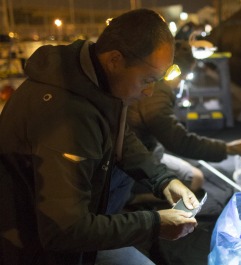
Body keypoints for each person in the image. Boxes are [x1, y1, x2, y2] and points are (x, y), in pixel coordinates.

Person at [0, 9, 200, 265]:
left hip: (75, 228)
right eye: (147, 80)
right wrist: (154, 223)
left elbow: (121, 137)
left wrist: (163, 180)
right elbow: (65, 230)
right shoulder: (65, 118)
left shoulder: (91, 82)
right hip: (35, 249)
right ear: (115, 60)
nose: (150, 91)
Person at [127, 40, 241, 195]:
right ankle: (134, 201)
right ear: (174, 71)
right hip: (133, 163)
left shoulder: (152, 82)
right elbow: (179, 141)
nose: (182, 82)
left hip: (146, 151)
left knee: (189, 171)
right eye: (184, 76)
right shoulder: (157, 93)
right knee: (195, 178)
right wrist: (226, 148)